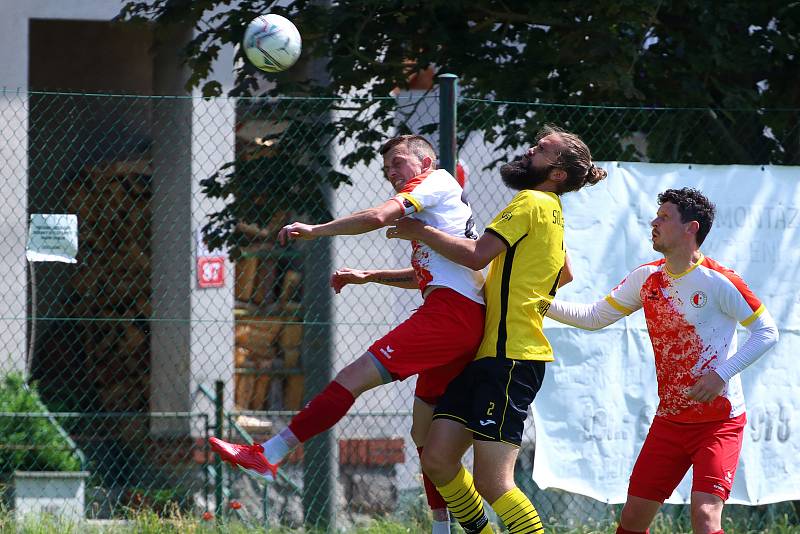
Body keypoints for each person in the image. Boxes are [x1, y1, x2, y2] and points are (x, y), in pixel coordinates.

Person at [210, 134, 485, 534]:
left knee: (350, 379)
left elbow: (377, 217)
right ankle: (444, 529)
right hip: (457, 320)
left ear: (425, 163)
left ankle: (269, 453)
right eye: (387, 168)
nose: (392, 173)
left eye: (399, 163)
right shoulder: (439, 209)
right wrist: (368, 276)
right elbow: (431, 276)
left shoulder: (434, 182)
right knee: (423, 437)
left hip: (449, 319)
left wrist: (316, 230)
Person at [389, 125, 606, 534]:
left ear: (557, 173)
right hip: (487, 356)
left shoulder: (530, 201)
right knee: (436, 458)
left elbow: (474, 256)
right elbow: (565, 273)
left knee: (493, 482)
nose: (529, 150)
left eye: (541, 150)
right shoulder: (551, 209)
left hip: (512, 359)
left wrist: (421, 231)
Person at [544, 188, 779, 534]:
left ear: (691, 228)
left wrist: (720, 374)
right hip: (670, 421)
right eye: (656, 216)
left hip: (719, 422)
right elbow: (594, 317)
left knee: (705, 516)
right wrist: (538, 304)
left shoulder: (719, 280)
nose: (654, 222)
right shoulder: (646, 278)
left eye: (665, 217)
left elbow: (767, 331)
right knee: (632, 520)